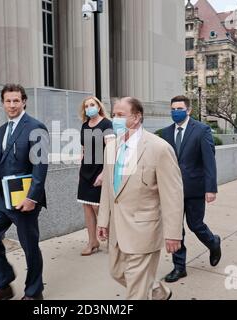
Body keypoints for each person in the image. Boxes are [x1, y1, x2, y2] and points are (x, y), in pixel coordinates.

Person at [97, 97, 184, 300]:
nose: (115, 119)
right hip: (118, 228)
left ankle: (146, 290)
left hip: (145, 228)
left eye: (120, 115)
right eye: (114, 114)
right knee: (117, 272)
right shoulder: (111, 146)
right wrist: (103, 220)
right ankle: (158, 292)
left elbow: (173, 194)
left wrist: (173, 233)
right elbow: (109, 190)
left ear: (136, 117)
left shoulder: (159, 148)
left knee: (135, 292)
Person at [0, 84, 49, 300]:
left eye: (16, 101)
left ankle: (34, 292)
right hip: (0, 197)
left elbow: (40, 166)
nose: (12, 105)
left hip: (24, 197)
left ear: (24, 102)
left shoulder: (36, 127)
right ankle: (4, 284)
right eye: (8, 101)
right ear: (3, 103)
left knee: (30, 247)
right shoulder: (1, 130)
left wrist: (32, 197)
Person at [160, 95, 221, 283]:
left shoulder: (201, 130)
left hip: (194, 188)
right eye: (172, 109)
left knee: (196, 225)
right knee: (176, 229)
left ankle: (213, 242)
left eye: (179, 108)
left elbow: (209, 161)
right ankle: (179, 267)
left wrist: (210, 189)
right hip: (172, 191)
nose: (175, 112)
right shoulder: (166, 133)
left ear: (188, 110)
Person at [77, 96, 112, 256]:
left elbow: (111, 150)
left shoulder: (106, 124)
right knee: (87, 206)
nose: (89, 107)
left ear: (98, 107)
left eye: (92, 104)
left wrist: (104, 173)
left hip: (100, 171)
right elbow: (84, 148)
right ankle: (92, 242)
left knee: (100, 208)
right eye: (86, 106)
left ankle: (113, 240)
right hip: (85, 171)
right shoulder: (84, 126)